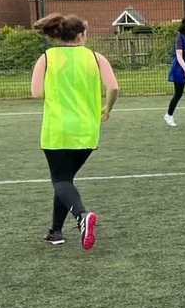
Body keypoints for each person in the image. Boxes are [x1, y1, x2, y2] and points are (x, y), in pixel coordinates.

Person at [29, 14, 120, 250]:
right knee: (65, 180)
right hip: (88, 129)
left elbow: (37, 92)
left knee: (60, 180)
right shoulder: (95, 57)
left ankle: (82, 217)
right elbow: (113, 87)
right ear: (81, 35)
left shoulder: (48, 57)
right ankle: (55, 232)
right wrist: (107, 109)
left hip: (57, 129)